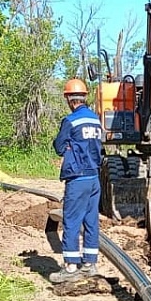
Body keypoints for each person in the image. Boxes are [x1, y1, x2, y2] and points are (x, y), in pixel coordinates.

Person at [50, 78, 103, 282]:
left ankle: (71, 268)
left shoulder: (71, 121)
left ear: (70, 99)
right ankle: (90, 263)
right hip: (94, 178)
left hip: (77, 178)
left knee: (71, 221)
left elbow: (59, 146)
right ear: (84, 97)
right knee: (91, 221)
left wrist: (69, 148)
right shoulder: (95, 120)